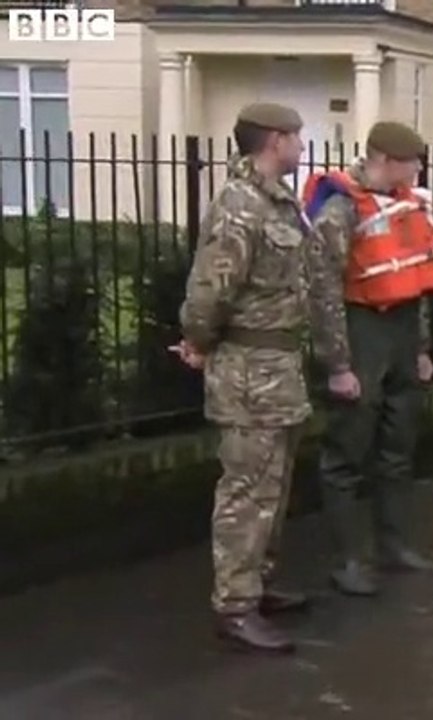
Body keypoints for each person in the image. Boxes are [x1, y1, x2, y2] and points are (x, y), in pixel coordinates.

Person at [175, 102, 312, 653]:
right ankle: (234, 606)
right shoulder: (239, 206)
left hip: (280, 370)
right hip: (249, 374)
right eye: (297, 137)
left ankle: (258, 584)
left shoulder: (277, 202)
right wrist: (198, 343)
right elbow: (209, 290)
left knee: (272, 491)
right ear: (274, 140)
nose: (302, 147)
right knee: (246, 491)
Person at [303, 122, 433, 596]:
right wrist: (338, 363)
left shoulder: (407, 205)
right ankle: (347, 558)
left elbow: (417, 277)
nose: (419, 170)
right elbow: (322, 287)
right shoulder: (341, 209)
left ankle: (395, 546)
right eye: (412, 162)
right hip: (361, 328)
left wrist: (422, 348)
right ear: (384, 159)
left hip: (402, 332)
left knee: (398, 445)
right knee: (348, 449)